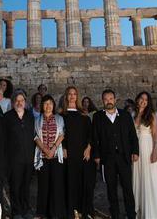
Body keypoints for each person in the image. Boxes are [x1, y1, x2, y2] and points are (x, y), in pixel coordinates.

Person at [92, 89, 139, 219]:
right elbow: (94, 137)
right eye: (106, 99)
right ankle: (115, 215)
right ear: (103, 101)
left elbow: (132, 135)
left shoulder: (125, 115)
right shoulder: (98, 116)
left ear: (115, 99)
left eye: (110, 99)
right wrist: (96, 155)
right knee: (111, 189)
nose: (108, 101)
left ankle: (131, 214)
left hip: (124, 157)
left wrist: (135, 151)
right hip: (108, 159)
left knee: (127, 188)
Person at [61, 86, 92, 219]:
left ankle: (81, 210)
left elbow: (91, 134)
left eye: (74, 94)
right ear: (66, 96)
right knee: (69, 181)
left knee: (82, 181)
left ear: (77, 96)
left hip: (82, 153)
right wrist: (62, 147)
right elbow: (60, 133)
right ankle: (70, 209)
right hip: (68, 153)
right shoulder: (61, 115)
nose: (72, 96)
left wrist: (89, 148)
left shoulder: (84, 115)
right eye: (69, 94)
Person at [4, 91, 36, 219]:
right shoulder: (7, 117)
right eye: (16, 100)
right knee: (15, 185)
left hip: (28, 157)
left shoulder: (30, 116)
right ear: (13, 103)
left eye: (21, 100)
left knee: (26, 185)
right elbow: (4, 139)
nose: (19, 103)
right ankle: (16, 211)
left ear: (25, 102)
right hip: (13, 159)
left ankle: (26, 209)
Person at [132, 91, 157, 219]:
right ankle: (138, 210)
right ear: (137, 100)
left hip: (148, 147)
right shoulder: (133, 114)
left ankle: (152, 212)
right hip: (136, 150)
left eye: (146, 99)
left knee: (149, 178)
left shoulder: (151, 115)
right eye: (141, 98)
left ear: (148, 102)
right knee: (138, 178)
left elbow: (155, 135)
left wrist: (154, 152)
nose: (143, 101)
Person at [34, 95, 66, 219]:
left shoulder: (59, 118)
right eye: (46, 103)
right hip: (42, 157)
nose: (48, 106)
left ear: (53, 105)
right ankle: (42, 212)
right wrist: (45, 150)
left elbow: (62, 134)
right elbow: (36, 136)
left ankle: (55, 212)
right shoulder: (37, 119)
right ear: (42, 106)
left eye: (50, 103)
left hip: (55, 156)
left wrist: (52, 149)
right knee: (43, 185)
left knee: (56, 185)